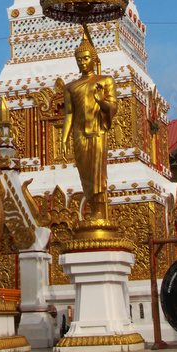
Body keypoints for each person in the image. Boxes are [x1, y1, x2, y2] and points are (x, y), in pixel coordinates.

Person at [61, 27, 117, 220]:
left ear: (94, 59)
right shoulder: (70, 87)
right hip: (79, 134)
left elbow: (112, 107)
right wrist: (64, 139)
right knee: (84, 172)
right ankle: (92, 208)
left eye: (86, 58)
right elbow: (69, 113)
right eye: (79, 59)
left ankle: (99, 210)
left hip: (97, 132)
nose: (82, 62)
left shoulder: (105, 81)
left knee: (97, 173)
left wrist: (101, 100)